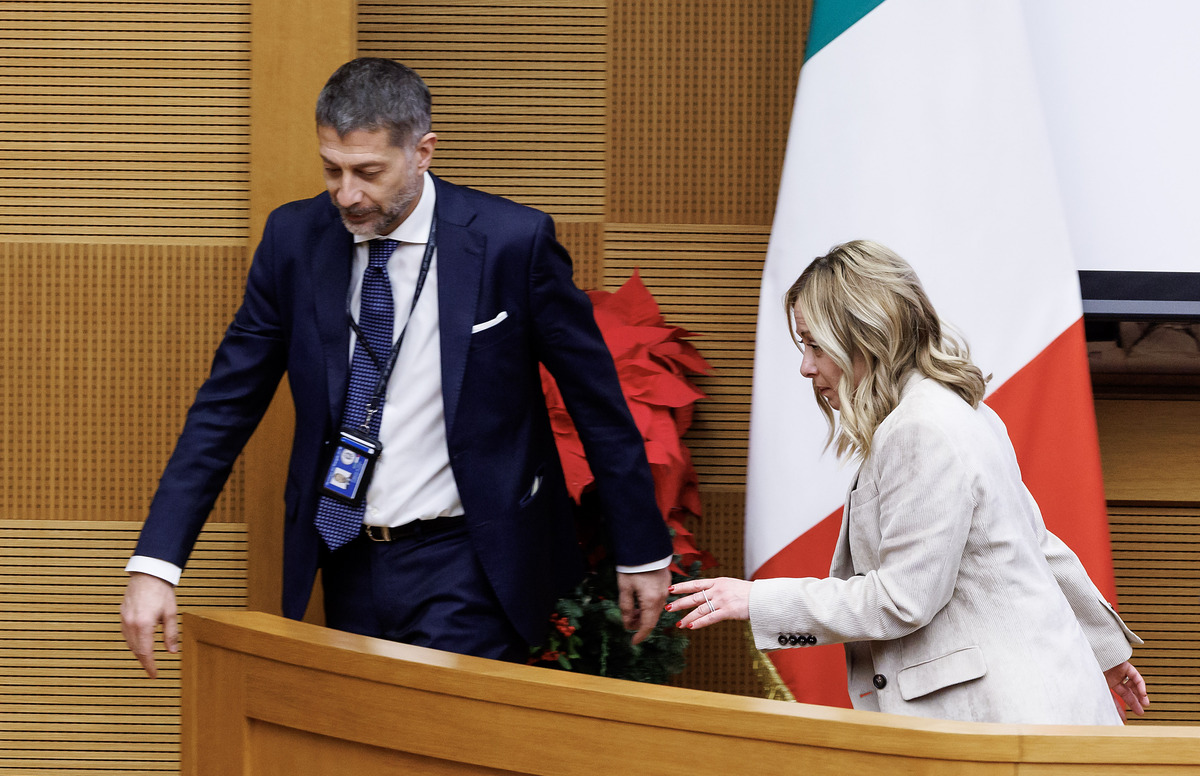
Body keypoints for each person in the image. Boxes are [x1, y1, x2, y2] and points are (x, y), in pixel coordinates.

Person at [121, 57, 672, 676]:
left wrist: (641, 550)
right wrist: (156, 563)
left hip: (470, 555)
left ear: (423, 152)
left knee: (440, 741)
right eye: (332, 170)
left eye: (368, 172)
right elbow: (226, 405)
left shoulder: (511, 243)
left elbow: (595, 400)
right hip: (348, 554)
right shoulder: (293, 241)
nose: (347, 194)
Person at [669, 240, 1149, 724]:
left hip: (1000, 726)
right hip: (1037, 709)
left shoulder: (921, 429)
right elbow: (1037, 545)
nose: (805, 366)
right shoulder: (967, 413)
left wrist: (756, 600)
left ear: (864, 337)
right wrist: (1104, 649)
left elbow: (903, 601)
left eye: (815, 344)